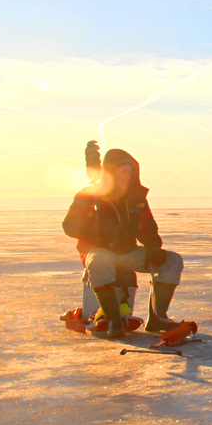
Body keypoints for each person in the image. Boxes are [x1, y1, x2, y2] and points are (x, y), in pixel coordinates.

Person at [63, 144, 185, 338]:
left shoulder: (136, 198)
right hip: (99, 251)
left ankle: (158, 317)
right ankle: (113, 320)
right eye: (121, 172)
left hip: (128, 252)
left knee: (172, 261)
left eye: (129, 173)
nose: (126, 177)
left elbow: (147, 228)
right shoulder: (90, 195)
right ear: (110, 173)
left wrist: (154, 248)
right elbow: (69, 226)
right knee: (99, 261)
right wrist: (95, 228)